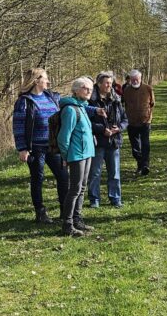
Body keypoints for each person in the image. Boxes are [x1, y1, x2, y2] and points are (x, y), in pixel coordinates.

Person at [12, 68, 68, 224]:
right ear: (36, 80)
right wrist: (22, 148)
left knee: (63, 177)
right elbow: (18, 127)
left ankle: (65, 211)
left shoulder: (52, 97)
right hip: (36, 147)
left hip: (53, 146)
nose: (48, 81)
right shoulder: (24, 101)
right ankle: (40, 213)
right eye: (45, 78)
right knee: (38, 178)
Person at [58, 77, 103, 237]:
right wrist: (65, 156)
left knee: (82, 188)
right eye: (85, 88)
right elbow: (63, 138)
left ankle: (77, 219)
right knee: (75, 189)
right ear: (76, 90)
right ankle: (67, 223)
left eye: (91, 88)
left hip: (87, 152)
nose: (89, 91)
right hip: (76, 155)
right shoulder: (70, 109)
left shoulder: (83, 107)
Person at [88, 71, 128, 208]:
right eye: (106, 83)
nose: (109, 85)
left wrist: (119, 128)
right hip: (98, 142)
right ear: (99, 84)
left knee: (115, 173)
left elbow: (125, 119)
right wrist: (101, 129)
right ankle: (94, 200)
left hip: (114, 141)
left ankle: (115, 198)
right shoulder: (91, 101)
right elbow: (87, 123)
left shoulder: (116, 99)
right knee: (95, 173)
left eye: (111, 83)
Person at [122, 69, 155, 175]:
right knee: (135, 147)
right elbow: (124, 103)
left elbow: (152, 103)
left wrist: (149, 116)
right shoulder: (126, 90)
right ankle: (140, 163)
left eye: (136, 79)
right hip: (131, 122)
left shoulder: (148, 88)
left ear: (140, 79)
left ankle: (145, 165)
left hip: (145, 121)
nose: (135, 81)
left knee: (145, 144)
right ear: (130, 80)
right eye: (133, 79)